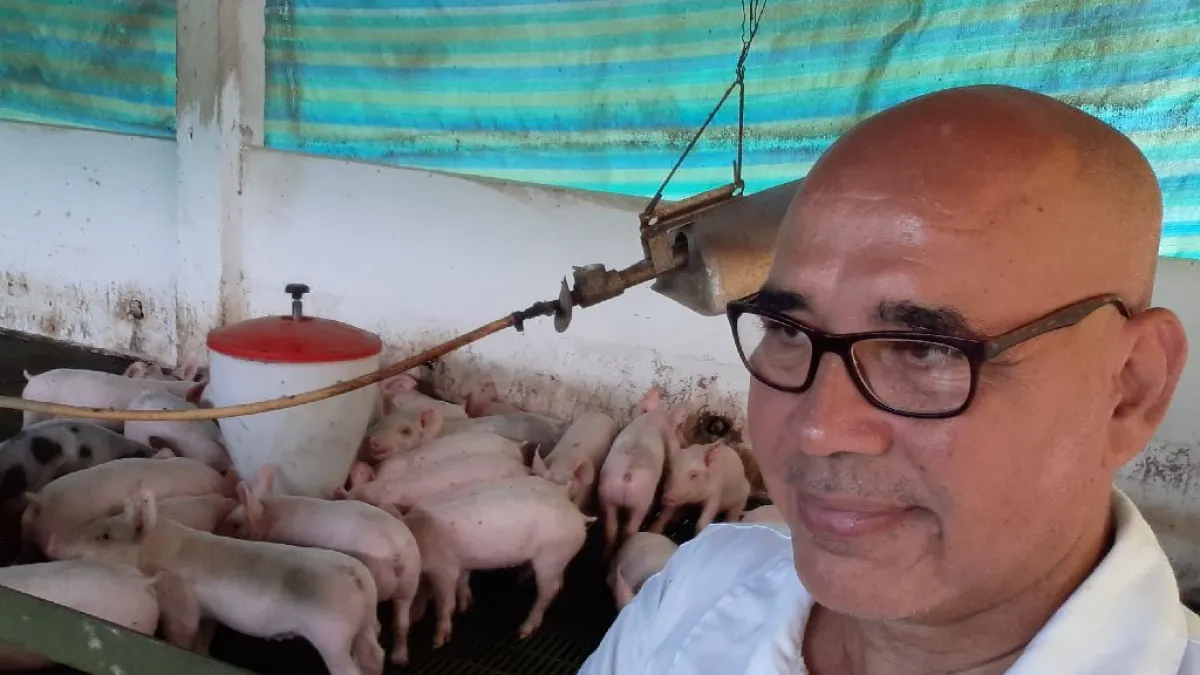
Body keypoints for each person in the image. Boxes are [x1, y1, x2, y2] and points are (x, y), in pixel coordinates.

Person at [578, 84, 1198, 674]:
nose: (819, 429)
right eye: (785, 329)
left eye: (925, 350)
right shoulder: (694, 595)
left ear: (1130, 389)